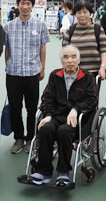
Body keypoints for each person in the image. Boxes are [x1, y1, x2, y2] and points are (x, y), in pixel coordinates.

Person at [28, 45, 97, 187]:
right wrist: (48, 115)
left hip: (78, 120)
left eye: (73, 57)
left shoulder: (88, 77)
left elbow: (92, 99)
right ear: (61, 61)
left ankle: (63, 172)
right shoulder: (55, 75)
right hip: (56, 116)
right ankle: (43, 171)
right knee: (46, 129)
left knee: (64, 131)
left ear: (79, 59)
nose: (70, 60)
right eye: (66, 57)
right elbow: (48, 97)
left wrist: (76, 109)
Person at [4, 0, 50, 154]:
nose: (25, 6)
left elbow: (42, 47)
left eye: (28, 3)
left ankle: (31, 138)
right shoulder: (8, 26)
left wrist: (42, 68)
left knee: (32, 109)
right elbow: (7, 49)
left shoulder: (40, 24)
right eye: (22, 3)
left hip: (32, 73)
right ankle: (18, 138)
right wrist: (8, 65)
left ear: (32, 5)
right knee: (15, 108)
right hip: (13, 73)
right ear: (17, 5)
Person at [62, 1, 106, 79]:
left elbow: (104, 51)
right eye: (79, 12)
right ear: (75, 14)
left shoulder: (98, 29)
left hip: (94, 72)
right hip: (74, 72)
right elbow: (64, 51)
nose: (82, 15)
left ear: (90, 13)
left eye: (85, 12)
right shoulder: (70, 30)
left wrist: (103, 68)